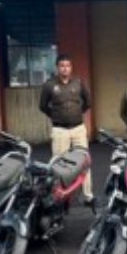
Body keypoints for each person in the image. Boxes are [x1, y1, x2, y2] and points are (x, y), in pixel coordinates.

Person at [39, 54, 93, 206]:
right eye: (62, 66)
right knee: (58, 165)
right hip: (59, 130)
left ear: (71, 68)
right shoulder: (49, 85)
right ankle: (61, 197)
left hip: (78, 129)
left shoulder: (78, 82)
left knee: (84, 162)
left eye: (68, 66)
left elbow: (88, 102)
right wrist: (56, 115)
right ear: (57, 67)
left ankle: (88, 196)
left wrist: (77, 114)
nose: (65, 68)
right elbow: (42, 106)